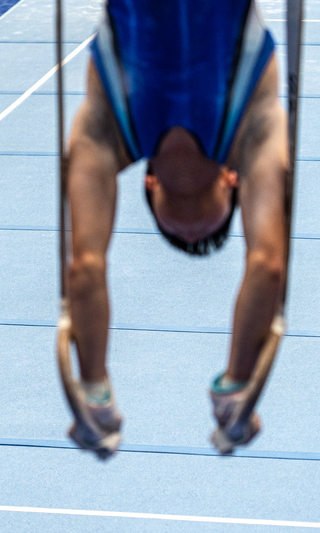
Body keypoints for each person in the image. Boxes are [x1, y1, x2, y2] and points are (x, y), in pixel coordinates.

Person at [64, 0, 288, 456]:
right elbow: (83, 268)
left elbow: (268, 266)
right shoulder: (250, 125)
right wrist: (92, 395)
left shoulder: (108, 126)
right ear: (233, 178)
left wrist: (239, 387)